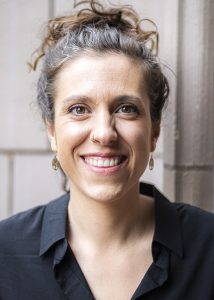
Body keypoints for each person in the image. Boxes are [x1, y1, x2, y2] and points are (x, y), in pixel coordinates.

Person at [0, 1, 214, 299]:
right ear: (52, 130)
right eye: (79, 109)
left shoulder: (209, 248)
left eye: (126, 109)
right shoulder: (5, 252)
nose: (104, 133)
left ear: (154, 130)